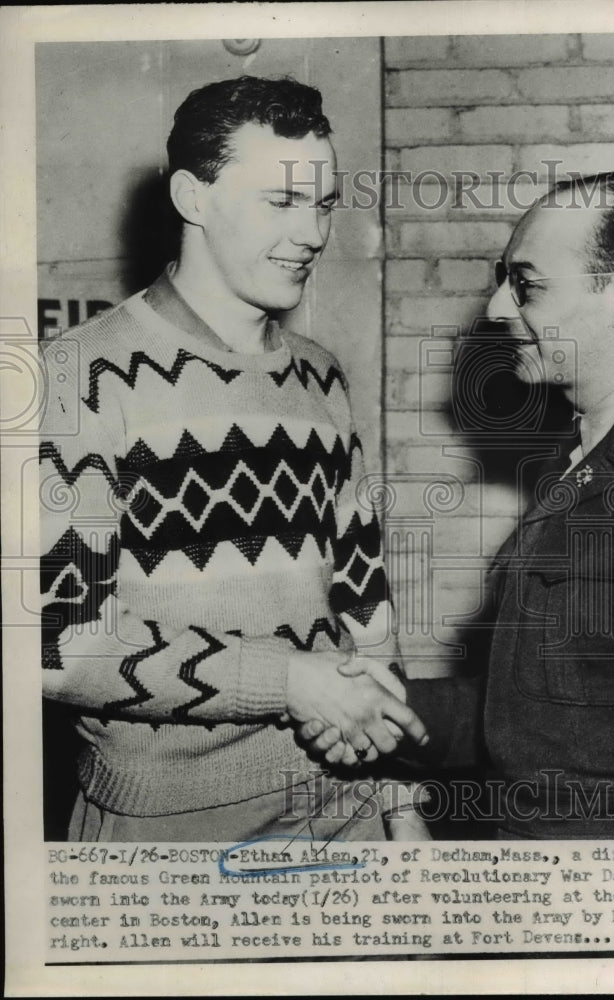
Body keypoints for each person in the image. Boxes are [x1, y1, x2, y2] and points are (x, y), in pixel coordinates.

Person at [305, 172, 614, 840]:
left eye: (528, 285)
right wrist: (392, 704)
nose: (496, 310)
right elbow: (556, 716)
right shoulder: (592, 465)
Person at [39, 75, 427, 843]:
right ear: (193, 197)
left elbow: (366, 609)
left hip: (344, 811)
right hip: (169, 831)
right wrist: (287, 682)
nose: (312, 233)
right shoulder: (78, 375)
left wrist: (401, 804)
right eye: (281, 202)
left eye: (323, 204)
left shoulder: (322, 375)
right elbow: (56, 644)